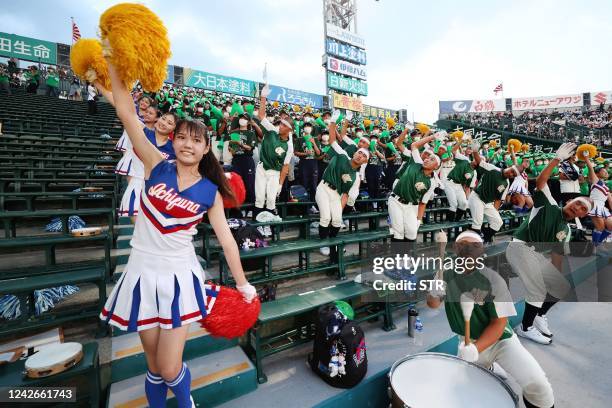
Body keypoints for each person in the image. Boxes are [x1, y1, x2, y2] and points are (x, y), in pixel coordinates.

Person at [100, 61, 256, 408]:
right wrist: (114, 65)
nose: (187, 143)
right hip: (141, 272)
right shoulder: (155, 163)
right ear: (174, 140)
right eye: (181, 137)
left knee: (170, 366)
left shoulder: (210, 191)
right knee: (154, 366)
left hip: (178, 277)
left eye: (196, 140)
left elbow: (227, 241)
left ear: (205, 149)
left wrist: (244, 285)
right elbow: (127, 113)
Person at [427, 230, 555, 408]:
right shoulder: (445, 275)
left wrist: (475, 349)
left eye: (475, 246)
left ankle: (488, 365)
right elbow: (433, 304)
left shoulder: (493, 280)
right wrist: (434, 291)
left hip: (501, 342)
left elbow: (500, 323)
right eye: (463, 245)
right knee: (463, 397)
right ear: (456, 248)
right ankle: (489, 367)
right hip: (466, 341)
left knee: (539, 386)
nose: (469, 249)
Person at [506, 143, 592, 344]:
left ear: (583, 215)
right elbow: (541, 182)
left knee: (561, 286)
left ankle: (538, 315)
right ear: (569, 202)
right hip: (519, 247)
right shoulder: (550, 204)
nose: (578, 207)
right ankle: (525, 327)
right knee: (537, 289)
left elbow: (557, 257)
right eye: (577, 203)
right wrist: (556, 159)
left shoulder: (567, 230)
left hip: (533, 255)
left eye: (583, 209)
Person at [315, 111, 369, 260]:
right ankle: (323, 243)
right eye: (359, 152)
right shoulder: (344, 155)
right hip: (324, 188)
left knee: (337, 220)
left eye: (364, 156)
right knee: (326, 217)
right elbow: (333, 140)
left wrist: (338, 208)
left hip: (336, 194)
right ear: (355, 153)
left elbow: (345, 195)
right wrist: (333, 122)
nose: (360, 155)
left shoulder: (355, 177)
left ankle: (332, 243)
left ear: (365, 162)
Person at [387, 131, 442, 244]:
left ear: (436, 167)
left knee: (412, 233)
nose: (427, 159)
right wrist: (432, 136)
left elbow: (423, 202)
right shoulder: (417, 162)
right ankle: (399, 259)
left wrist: (418, 219)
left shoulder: (432, 182)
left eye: (432, 159)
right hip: (396, 200)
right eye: (427, 157)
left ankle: (406, 258)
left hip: (412, 206)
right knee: (398, 232)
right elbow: (414, 145)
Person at [253, 84, 294, 218]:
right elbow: (260, 116)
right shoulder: (271, 130)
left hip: (274, 172)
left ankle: (268, 224)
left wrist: (281, 184)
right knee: (259, 197)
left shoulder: (289, 146)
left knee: (271, 199)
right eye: (281, 123)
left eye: (284, 125)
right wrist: (263, 97)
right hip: (262, 167)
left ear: (290, 130)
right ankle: (259, 224)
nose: (281, 126)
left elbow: (286, 166)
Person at [468, 140, 517, 243]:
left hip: (488, 202)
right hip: (477, 197)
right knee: (478, 223)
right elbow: (479, 161)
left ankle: (485, 238)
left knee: (498, 222)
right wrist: (475, 150)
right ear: (509, 167)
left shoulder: (506, 183)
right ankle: (473, 245)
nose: (511, 174)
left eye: (514, 175)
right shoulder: (493, 168)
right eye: (512, 171)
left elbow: (499, 200)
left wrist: (493, 212)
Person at [229, 112, 261, 206]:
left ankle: (250, 207)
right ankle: (237, 208)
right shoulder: (234, 133)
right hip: (236, 159)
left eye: (244, 118)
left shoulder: (251, 133)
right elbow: (231, 150)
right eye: (241, 118)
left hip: (247, 160)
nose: (242, 120)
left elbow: (250, 147)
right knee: (236, 184)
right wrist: (233, 149)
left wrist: (240, 143)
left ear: (248, 122)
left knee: (249, 184)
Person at [583, 155, 611, 245]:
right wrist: (586, 157)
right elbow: (590, 168)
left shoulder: (606, 186)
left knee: (610, 227)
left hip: (603, 208)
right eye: (604, 171)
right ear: (597, 173)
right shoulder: (596, 181)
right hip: (594, 206)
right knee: (600, 228)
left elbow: (610, 201)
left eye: (607, 171)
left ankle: (597, 244)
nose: (606, 172)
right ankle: (595, 247)